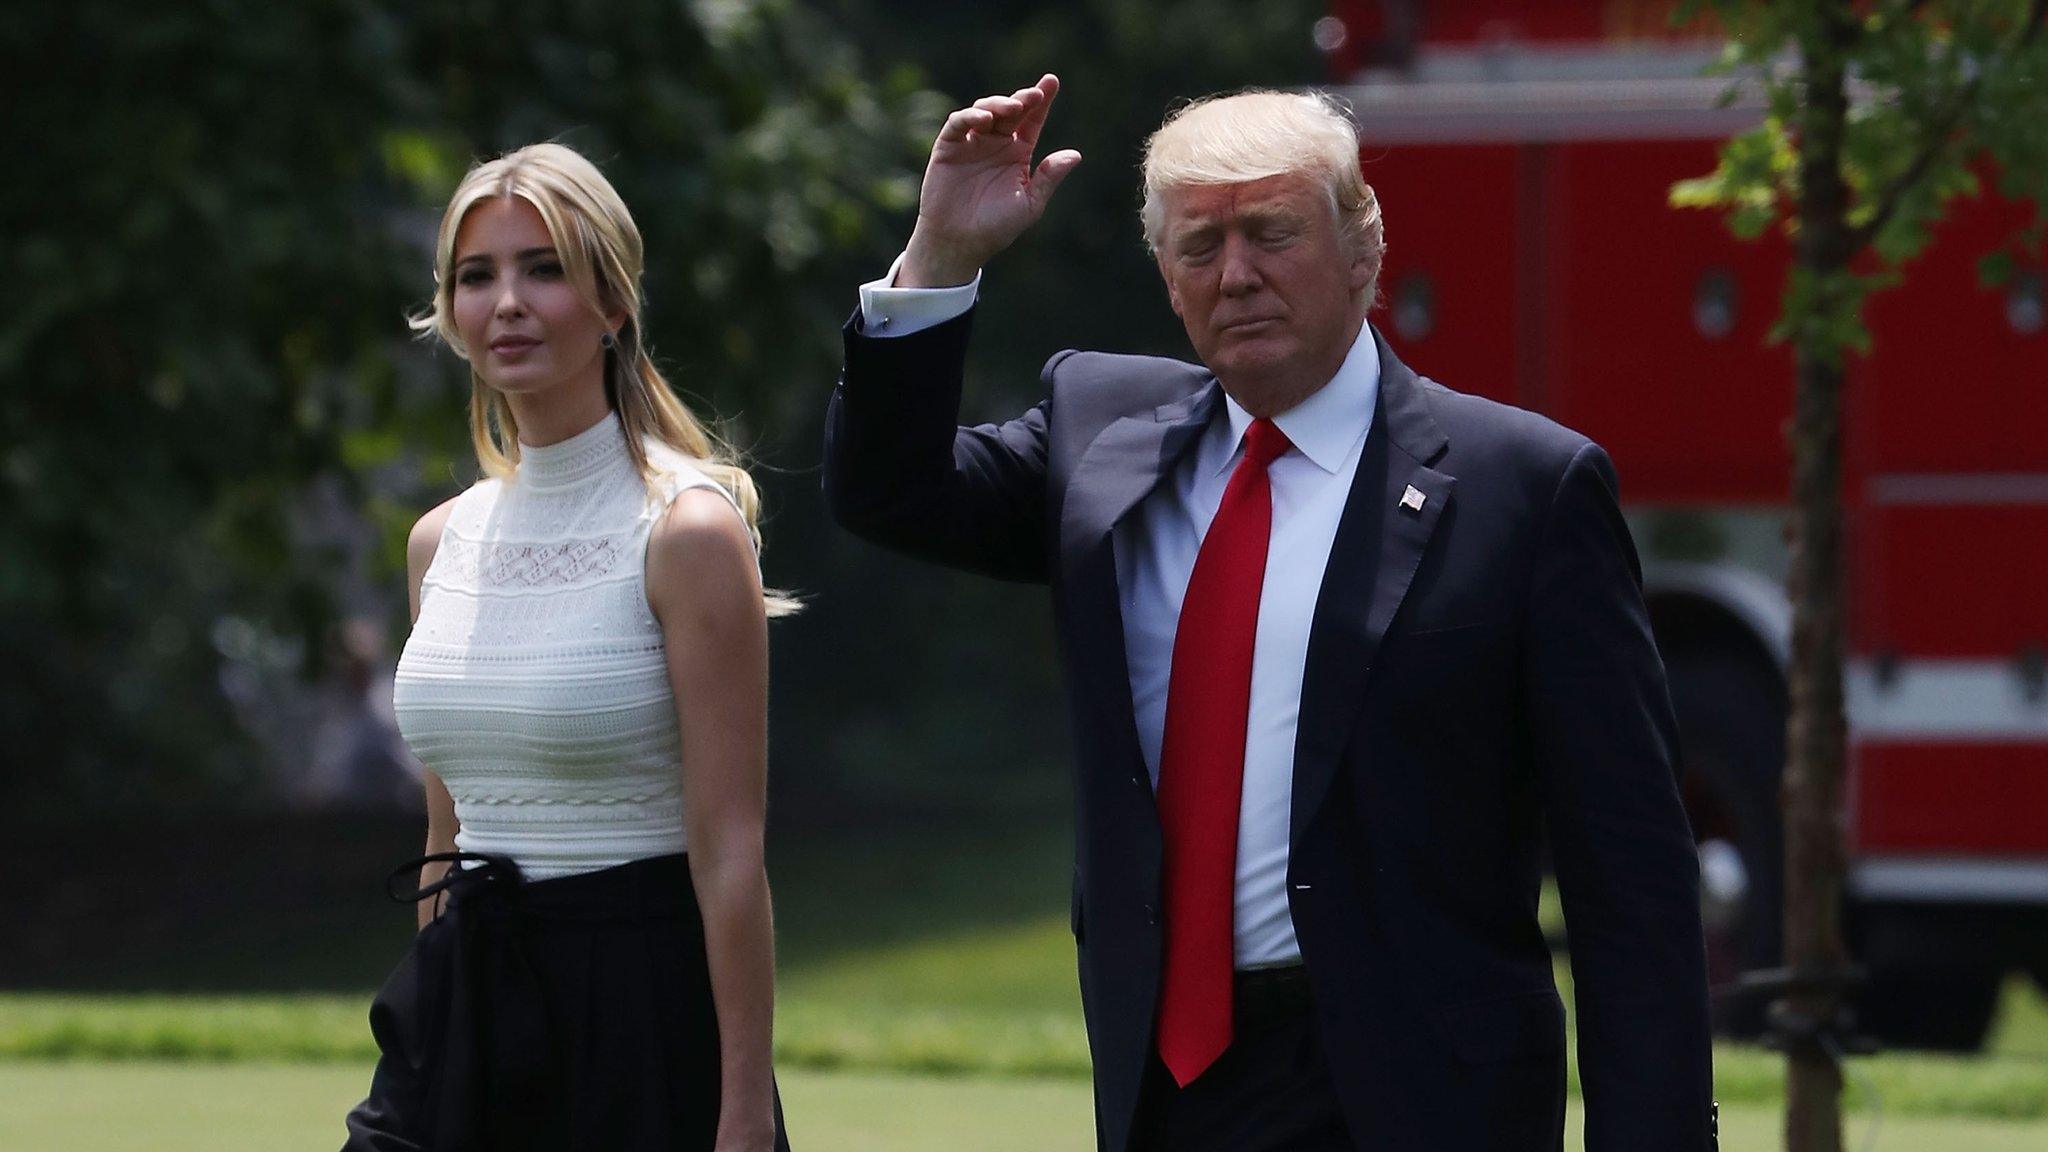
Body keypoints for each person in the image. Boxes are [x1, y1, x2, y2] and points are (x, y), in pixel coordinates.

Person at [824, 77, 1716, 1152]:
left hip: (1422, 1096)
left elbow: (1629, 880)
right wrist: (938, 261)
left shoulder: (1520, 488)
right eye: (1198, 247)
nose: (1235, 274)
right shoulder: (1097, 435)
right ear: (1164, 276)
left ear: (1362, 250)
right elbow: (888, 490)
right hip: (1170, 1087)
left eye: (1270, 233)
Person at [343, 142, 792, 1152]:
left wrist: (743, 1115)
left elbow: (729, 851)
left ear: (612, 302)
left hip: (639, 1012)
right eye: (477, 275)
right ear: (451, 313)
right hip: (471, 998)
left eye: (542, 268)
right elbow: (445, 843)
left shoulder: (687, 532)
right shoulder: (437, 542)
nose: (506, 301)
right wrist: (431, 1039)